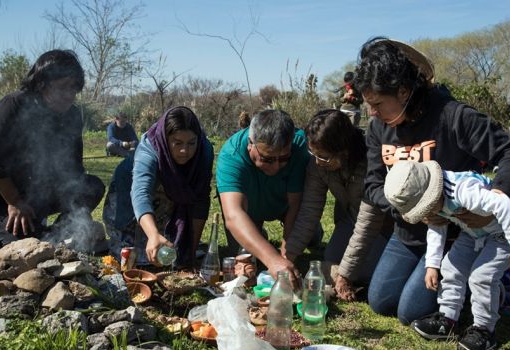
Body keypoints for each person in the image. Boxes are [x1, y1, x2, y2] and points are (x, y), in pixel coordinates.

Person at [343, 37, 510, 326]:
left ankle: (485, 281)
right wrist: (403, 211)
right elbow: (373, 186)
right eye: (369, 105)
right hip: (407, 231)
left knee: (410, 313)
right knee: (381, 301)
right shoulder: (378, 128)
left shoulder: (452, 115)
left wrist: (494, 200)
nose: (372, 113)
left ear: (403, 91)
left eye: (378, 104)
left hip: (454, 234)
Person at [384, 160, 510, 350]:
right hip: (474, 233)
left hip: (505, 232)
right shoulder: (435, 203)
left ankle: (484, 331)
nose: (426, 213)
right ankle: (448, 320)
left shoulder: (463, 190)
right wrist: (432, 265)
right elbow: (436, 228)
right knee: (450, 266)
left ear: (432, 192)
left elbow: (505, 204)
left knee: (482, 277)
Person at [0, 49, 105, 245]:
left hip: (44, 191)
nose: (70, 95)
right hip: (5, 195)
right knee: (23, 249)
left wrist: (79, 215)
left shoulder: (71, 115)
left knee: (91, 186)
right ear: (41, 83)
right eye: (63, 87)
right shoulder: (13, 105)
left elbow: (74, 166)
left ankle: (59, 232)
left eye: (74, 88)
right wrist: (15, 202)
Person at [283, 109, 390, 288]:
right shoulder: (317, 166)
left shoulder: (370, 163)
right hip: (349, 220)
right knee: (331, 257)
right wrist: (287, 257)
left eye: (324, 157)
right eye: (313, 154)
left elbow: (368, 222)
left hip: (381, 226)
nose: (317, 162)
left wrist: (345, 274)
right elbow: (309, 210)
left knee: (362, 271)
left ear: (344, 151)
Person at [103, 106, 214, 266]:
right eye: (177, 143)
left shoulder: (204, 151)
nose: (185, 151)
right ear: (166, 139)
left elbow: (201, 198)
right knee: (133, 255)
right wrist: (153, 234)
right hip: (128, 190)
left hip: (168, 194)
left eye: (191, 143)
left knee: (172, 251)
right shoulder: (150, 147)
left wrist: (191, 251)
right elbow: (141, 193)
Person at [216, 109, 311, 287]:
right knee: (246, 258)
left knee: (307, 234)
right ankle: (258, 233)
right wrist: (273, 260)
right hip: (248, 211)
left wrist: (286, 255)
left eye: (283, 159)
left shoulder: (300, 146)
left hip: (284, 206)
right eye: (267, 159)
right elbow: (233, 215)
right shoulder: (231, 154)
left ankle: (311, 233)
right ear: (250, 144)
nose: (276, 167)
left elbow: (295, 204)